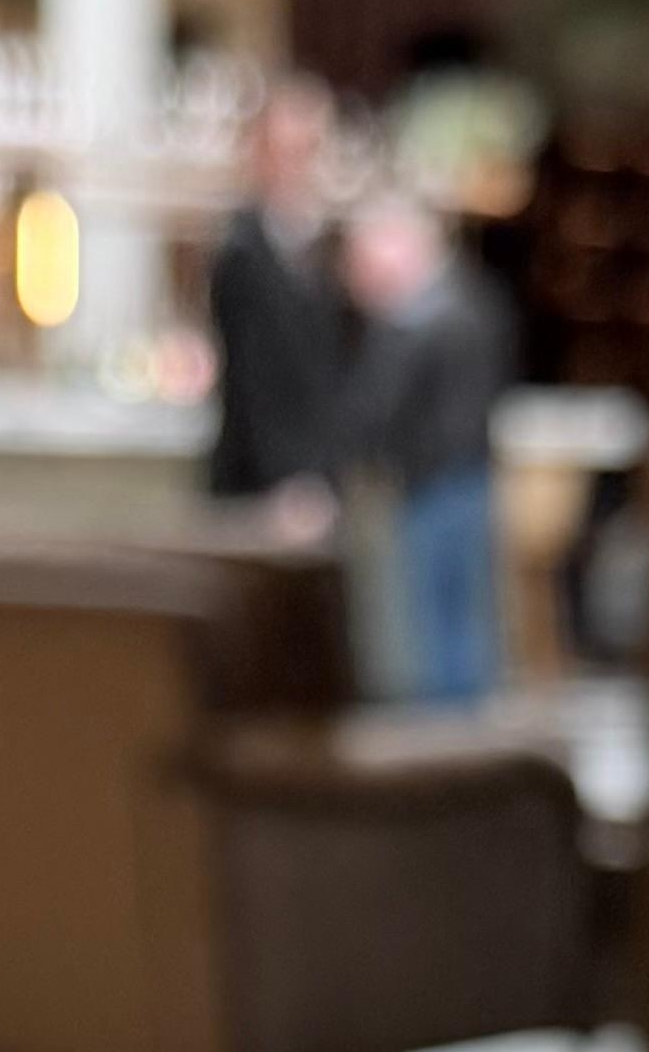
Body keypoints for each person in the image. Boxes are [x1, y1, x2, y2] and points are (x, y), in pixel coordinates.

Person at [340, 180, 516, 704]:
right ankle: (466, 729)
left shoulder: (419, 317)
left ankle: (447, 737)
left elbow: (375, 406)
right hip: (470, 475)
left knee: (437, 625)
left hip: (433, 482)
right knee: (464, 618)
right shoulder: (477, 299)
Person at [204, 75, 345, 526]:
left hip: (318, 481)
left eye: (308, 150)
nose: (295, 166)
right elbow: (253, 379)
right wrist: (287, 481)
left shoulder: (327, 246)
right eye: (284, 152)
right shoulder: (242, 252)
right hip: (262, 488)